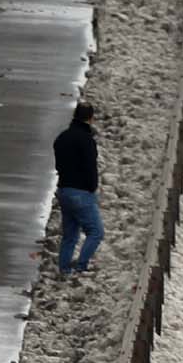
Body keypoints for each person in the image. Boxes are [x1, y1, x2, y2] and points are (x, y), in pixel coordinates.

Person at [53, 101, 103, 274]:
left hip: (64, 190)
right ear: (90, 118)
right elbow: (90, 167)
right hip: (81, 192)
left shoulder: (62, 137)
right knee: (96, 232)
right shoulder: (87, 140)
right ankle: (81, 266)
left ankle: (65, 269)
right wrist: (92, 187)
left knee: (70, 235)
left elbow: (58, 165)